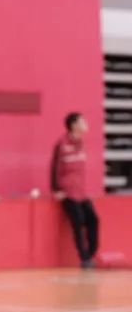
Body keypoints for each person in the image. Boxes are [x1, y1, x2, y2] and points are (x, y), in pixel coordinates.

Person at [51, 112, 99, 269]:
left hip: (82, 192)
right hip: (68, 193)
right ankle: (84, 258)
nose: (86, 124)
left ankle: (91, 253)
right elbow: (54, 167)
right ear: (74, 125)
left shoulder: (82, 143)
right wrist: (56, 189)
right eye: (82, 122)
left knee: (93, 219)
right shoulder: (61, 144)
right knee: (78, 221)